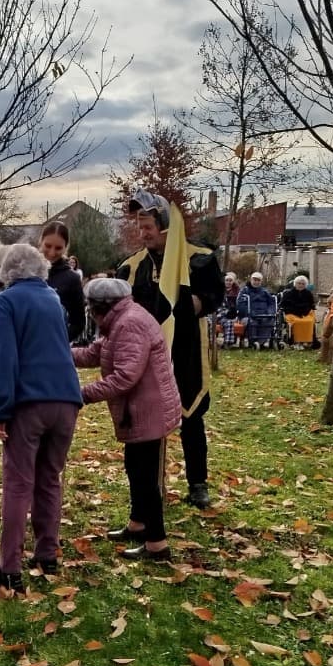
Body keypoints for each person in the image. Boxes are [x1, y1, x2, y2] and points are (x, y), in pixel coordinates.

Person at [0, 243, 82, 593]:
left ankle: (9, 569)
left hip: (29, 403)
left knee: (18, 484)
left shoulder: (5, 303)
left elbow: (0, 359)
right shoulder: (53, 299)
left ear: (7, 272)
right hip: (66, 400)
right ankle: (47, 554)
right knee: (50, 478)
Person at [116, 189, 223, 509]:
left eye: (148, 226)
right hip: (146, 353)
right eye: (140, 226)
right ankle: (149, 486)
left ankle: (198, 483)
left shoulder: (199, 258)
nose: (142, 233)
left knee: (191, 415)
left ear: (165, 225)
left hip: (186, 348)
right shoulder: (131, 267)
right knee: (145, 417)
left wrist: (196, 302)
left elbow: (216, 294)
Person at [73, 279, 181, 561]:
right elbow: (95, 353)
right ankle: (138, 523)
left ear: (100, 307)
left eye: (90, 307)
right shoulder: (119, 320)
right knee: (134, 468)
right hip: (139, 411)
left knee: (146, 477)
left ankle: (157, 544)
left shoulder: (128, 324)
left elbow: (124, 376)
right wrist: (59, 354)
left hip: (148, 410)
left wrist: (79, 394)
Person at [38, 221, 86, 341]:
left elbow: (78, 323)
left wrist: (58, 342)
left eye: (58, 248)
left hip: (53, 352)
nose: (52, 253)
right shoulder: (26, 273)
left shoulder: (72, 279)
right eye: (48, 246)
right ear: (40, 242)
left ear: (66, 247)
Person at [280, 274, 317, 349]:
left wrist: (310, 308)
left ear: (305, 285)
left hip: (305, 313)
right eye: (299, 283)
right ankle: (296, 341)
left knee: (309, 321)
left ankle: (306, 341)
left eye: (303, 284)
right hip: (292, 312)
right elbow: (284, 305)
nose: (300, 285)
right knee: (297, 321)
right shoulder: (288, 293)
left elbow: (311, 304)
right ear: (295, 284)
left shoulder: (308, 293)